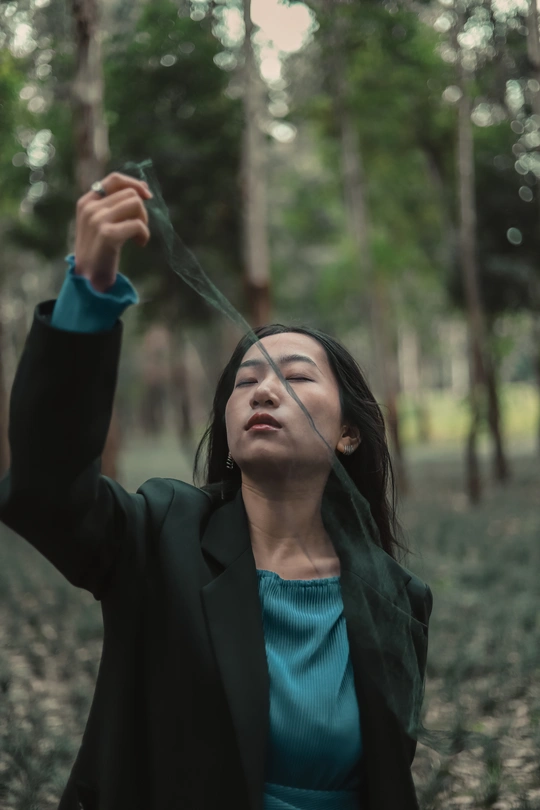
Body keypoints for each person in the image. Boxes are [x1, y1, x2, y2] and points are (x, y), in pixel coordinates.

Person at [0, 172, 433, 810]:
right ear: (228, 428)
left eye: (296, 377)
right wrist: (88, 293)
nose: (263, 391)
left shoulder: (397, 599)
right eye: (245, 381)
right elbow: (45, 486)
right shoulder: (159, 535)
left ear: (349, 434)